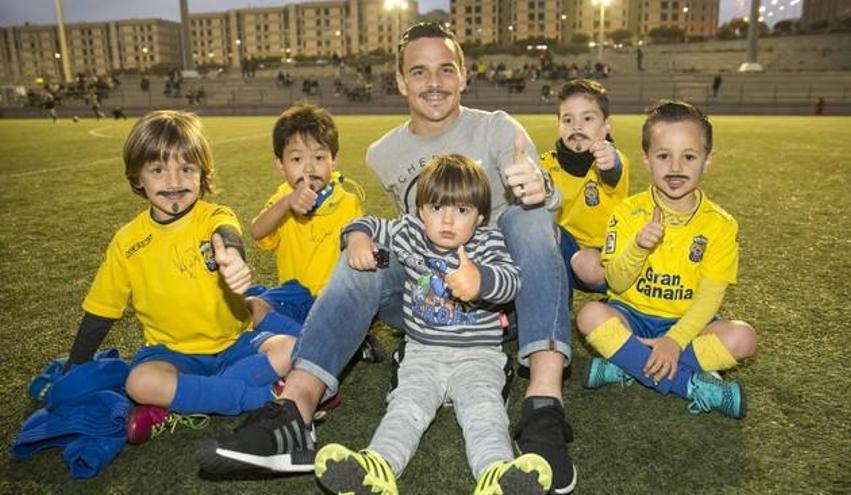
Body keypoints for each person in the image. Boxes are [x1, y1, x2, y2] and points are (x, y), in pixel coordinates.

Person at [200, 22, 578, 495]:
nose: (434, 83)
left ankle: (543, 406)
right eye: (419, 72)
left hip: (506, 295)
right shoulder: (385, 153)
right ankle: (294, 411)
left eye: (445, 70)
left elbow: (544, 203)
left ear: (463, 76)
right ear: (400, 81)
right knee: (366, 256)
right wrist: (358, 237)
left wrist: (540, 190)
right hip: (429, 302)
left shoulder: (498, 129)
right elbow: (403, 234)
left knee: (530, 216)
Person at [313, 154, 552, 495]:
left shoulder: (487, 242)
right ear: (421, 210)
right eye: (437, 208)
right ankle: (376, 468)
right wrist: (358, 240)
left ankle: (497, 475)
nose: (448, 220)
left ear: (480, 217)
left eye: (462, 211)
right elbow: (366, 224)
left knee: (484, 412)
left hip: (478, 356)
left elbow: (512, 282)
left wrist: (480, 280)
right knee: (407, 407)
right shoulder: (409, 233)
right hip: (422, 353)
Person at [61, 110, 297, 445]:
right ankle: (255, 396)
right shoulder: (127, 242)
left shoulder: (213, 216)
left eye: (186, 169)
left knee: (291, 347)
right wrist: (76, 363)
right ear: (138, 177)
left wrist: (230, 256)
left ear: (202, 174)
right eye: (158, 170)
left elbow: (226, 234)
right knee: (139, 382)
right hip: (170, 354)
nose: (174, 182)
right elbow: (102, 310)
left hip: (234, 346)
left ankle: (181, 403)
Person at [576, 100, 758, 419]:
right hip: (631, 315)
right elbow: (615, 282)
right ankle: (691, 386)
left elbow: (709, 298)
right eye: (663, 156)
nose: (676, 167)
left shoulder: (720, 224)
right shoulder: (629, 212)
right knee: (590, 315)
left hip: (686, 322)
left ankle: (627, 363)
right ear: (647, 159)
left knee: (743, 338)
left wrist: (674, 340)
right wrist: (638, 247)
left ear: (707, 160)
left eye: (689, 156)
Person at [245, 103, 381, 388]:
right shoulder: (282, 199)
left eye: (319, 157)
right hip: (294, 298)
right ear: (280, 166)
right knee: (252, 305)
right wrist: (287, 204)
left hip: (333, 299)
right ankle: (326, 346)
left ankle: (307, 351)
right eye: (296, 159)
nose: (309, 168)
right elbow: (258, 231)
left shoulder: (347, 202)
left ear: (334, 161)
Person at [540, 79, 630, 293]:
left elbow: (613, 169)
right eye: (567, 119)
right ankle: (556, 300)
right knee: (534, 231)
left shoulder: (610, 159)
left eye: (587, 118)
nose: (577, 126)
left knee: (585, 263)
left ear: (606, 126)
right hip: (565, 247)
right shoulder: (545, 164)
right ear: (558, 125)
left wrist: (611, 161)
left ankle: (623, 297)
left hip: (605, 254)